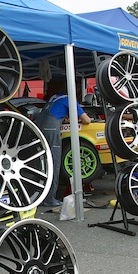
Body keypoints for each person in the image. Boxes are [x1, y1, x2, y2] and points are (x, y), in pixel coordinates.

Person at [34, 79, 92, 207]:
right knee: (54, 163)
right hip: (50, 131)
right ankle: (49, 199)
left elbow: (57, 116)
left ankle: (38, 196)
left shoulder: (55, 97)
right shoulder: (69, 99)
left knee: (41, 164)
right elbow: (86, 120)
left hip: (38, 128)